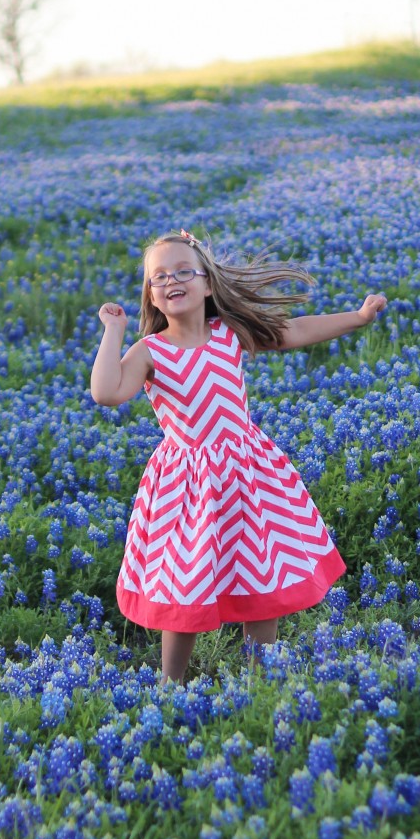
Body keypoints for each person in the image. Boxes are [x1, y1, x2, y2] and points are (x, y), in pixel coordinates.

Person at [90, 228, 388, 685]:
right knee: (183, 582)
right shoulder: (150, 351)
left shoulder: (228, 333)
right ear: (150, 294)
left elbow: (294, 331)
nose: (171, 281)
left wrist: (358, 317)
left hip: (248, 473)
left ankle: (257, 679)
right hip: (188, 485)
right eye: (158, 277)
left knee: (261, 570)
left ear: (208, 283)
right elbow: (107, 392)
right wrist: (114, 332)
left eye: (182, 271)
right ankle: (172, 682)